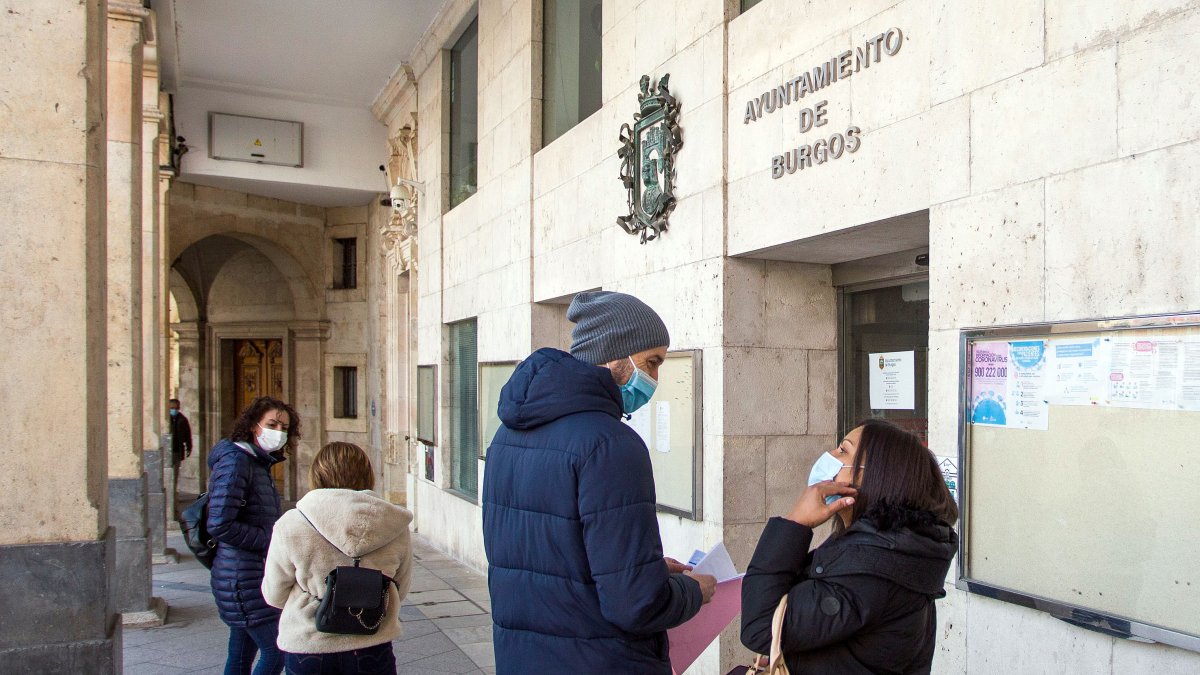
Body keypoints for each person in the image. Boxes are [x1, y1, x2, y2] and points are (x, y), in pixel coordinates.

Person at [483, 290, 716, 674]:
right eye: (651, 362)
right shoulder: (611, 445)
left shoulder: (506, 436)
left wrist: (643, 567)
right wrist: (695, 591)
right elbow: (635, 604)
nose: (655, 379)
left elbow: (552, 557)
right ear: (613, 355)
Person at [740, 419, 959, 674]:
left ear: (876, 477)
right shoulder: (883, 551)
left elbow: (761, 626)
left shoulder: (872, 568)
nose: (829, 456)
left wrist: (795, 523)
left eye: (843, 450)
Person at [262, 442, 413, 675]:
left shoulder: (292, 524)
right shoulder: (394, 524)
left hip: (310, 643)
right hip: (372, 641)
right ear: (367, 475)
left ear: (317, 476)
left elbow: (274, 594)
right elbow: (399, 589)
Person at [208, 396, 300, 675]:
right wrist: (269, 540)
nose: (278, 432)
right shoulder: (237, 462)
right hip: (242, 577)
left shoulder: (256, 462)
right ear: (253, 426)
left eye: (284, 427)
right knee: (277, 652)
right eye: (272, 424)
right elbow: (220, 524)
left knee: (240, 654)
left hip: (248, 574)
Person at [168, 398, 193, 498]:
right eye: (172, 408)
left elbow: (188, 435)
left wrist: (189, 447)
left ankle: (173, 494)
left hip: (177, 451)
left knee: (175, 474)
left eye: (175, 408)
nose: (174, 410)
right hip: (168, 451)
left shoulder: (182, 420)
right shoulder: (166, 419)